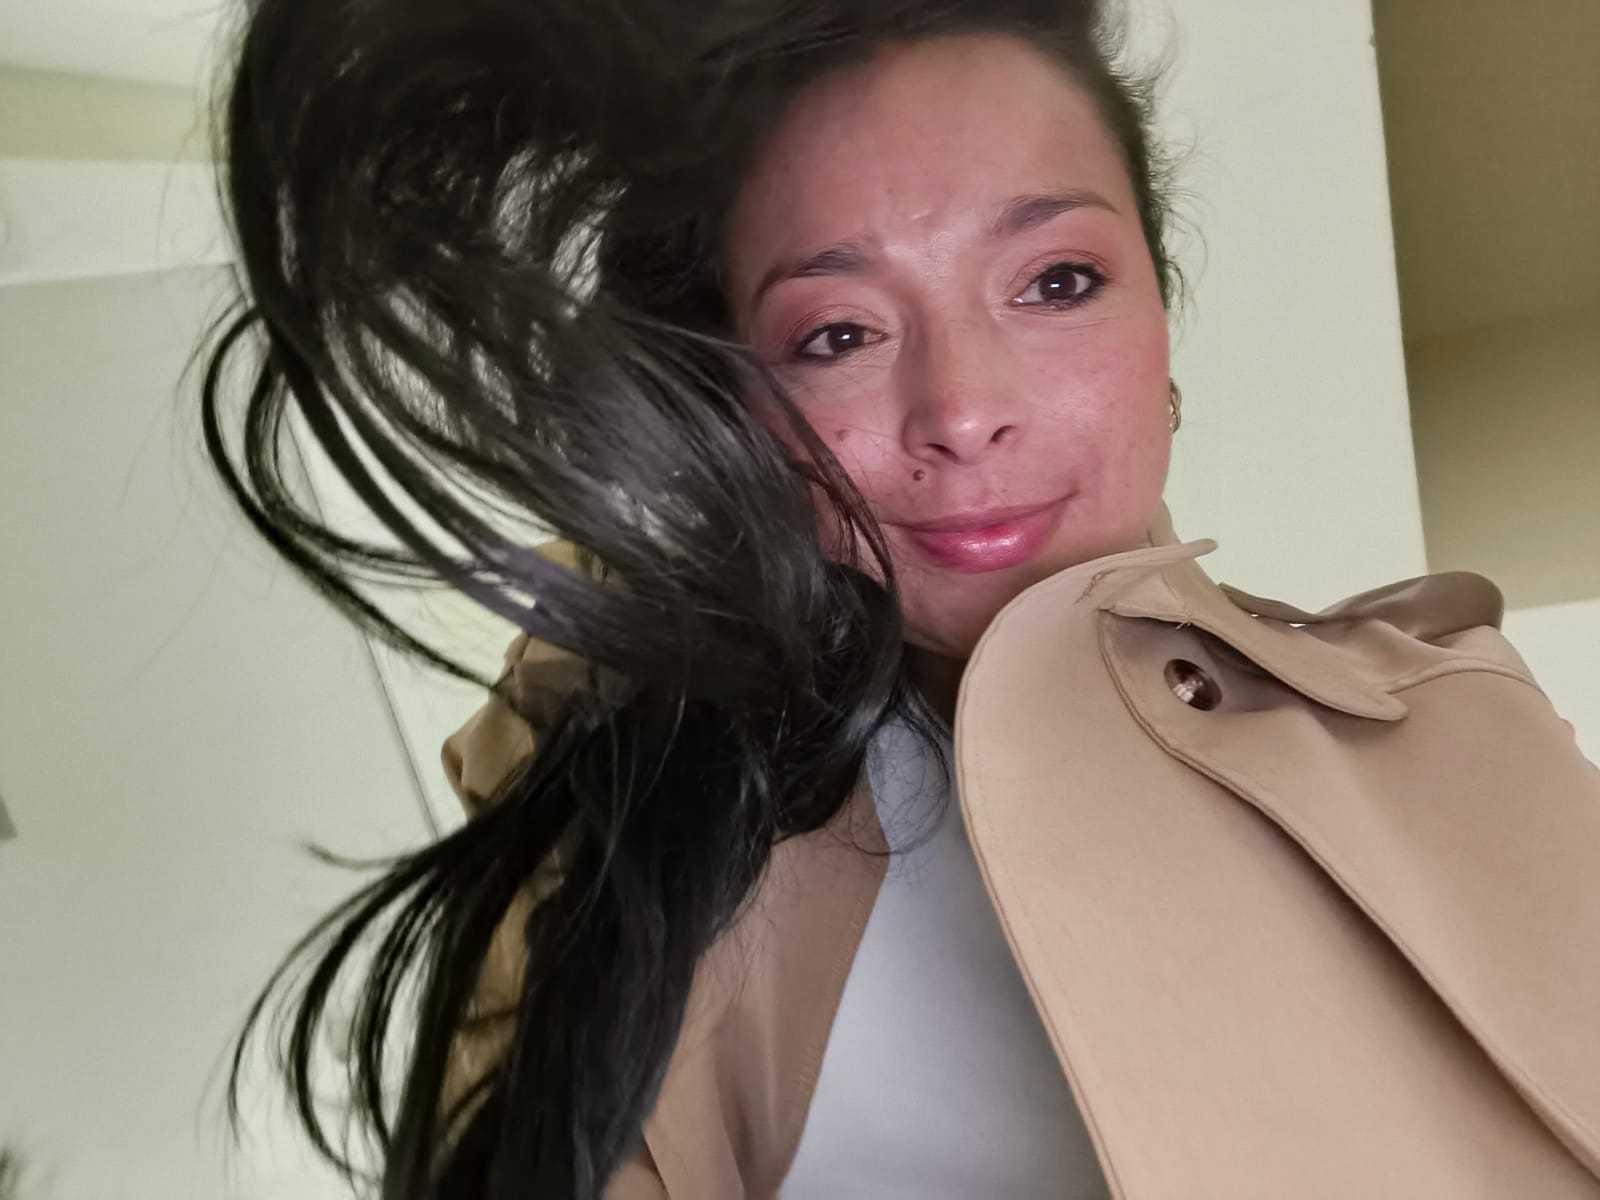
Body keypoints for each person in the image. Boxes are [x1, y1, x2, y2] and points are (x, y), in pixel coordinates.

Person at [200, 0, 1600, 1196]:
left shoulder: (1445, 716)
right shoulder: (627, 785)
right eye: (838, 333)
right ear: (743, 414)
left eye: (1056, 280)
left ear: (1161, 332)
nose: (963, 411)